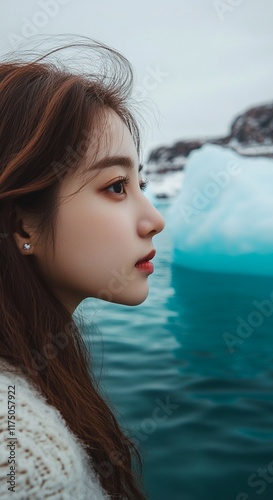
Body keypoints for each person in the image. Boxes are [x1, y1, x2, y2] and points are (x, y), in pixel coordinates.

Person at [0, 37, 165, 499]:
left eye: (141, 183)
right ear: (21, 222)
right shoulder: (24, 457)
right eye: (116, 186)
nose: (155, 219)